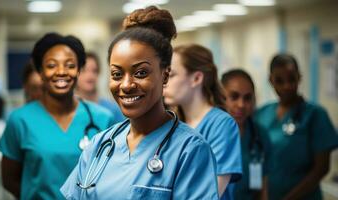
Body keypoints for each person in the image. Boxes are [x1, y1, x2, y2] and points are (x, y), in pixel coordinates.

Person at [61, 6, 219, 199]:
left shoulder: (190, 150)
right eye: (117, 74)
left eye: (141, 73)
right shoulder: (99, 145)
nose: (126, 85)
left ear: (165, 75)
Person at [0, 33, 114, 199]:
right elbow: (9, 180)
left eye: (70, 65)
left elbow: (112, 178)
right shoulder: (20, 120)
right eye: (51, 65)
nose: (61, 72)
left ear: (79, 70)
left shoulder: (103, 118)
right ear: (40, 71)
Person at [163, 44, 242, 199]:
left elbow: (210, 193)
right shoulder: (172, 124)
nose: (164, 82)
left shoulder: (222, 125)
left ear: (196, 78)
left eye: (171, 75)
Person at [255, 53, 338, 200]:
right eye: (279, 81)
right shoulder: (262, 113)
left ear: (299, 77)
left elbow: (322, 168)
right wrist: (255, 192)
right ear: (270, 81)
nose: (286, 86)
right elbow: (254, 158)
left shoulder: (315, 115)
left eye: (291, 79)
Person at [221, 69, 269, 200]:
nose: (241, 105)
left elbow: (262, 188)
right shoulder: (208, 135)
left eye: (247, 98)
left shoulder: (260, 135)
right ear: (221, 97)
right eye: (234, 97)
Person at [75, 51, 125, 123]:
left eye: (94, 71)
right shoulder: (67, 110)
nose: (90, 76)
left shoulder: (113, 109)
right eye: (84, 70)